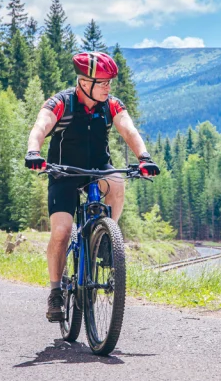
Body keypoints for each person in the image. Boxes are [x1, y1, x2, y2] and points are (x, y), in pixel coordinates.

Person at [25, 51, 160, 322]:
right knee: (62, 232)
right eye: (103, 82)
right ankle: (55, 292)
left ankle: (107, 239)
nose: (108, 87)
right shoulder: (62, 103)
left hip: (99, 170)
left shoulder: (110, 105)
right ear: (84, 82)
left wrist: (144, 157)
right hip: (63, 173)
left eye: (110, 82)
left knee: (117, 182)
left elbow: (128, 129)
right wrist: (33, 152)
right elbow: (40, 126)